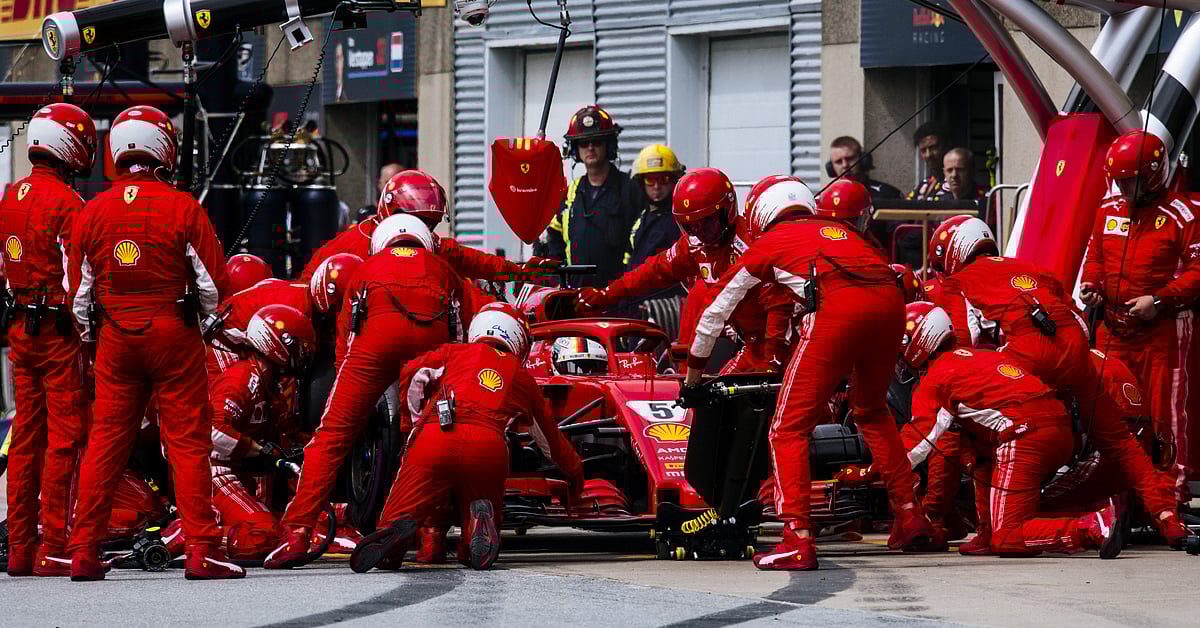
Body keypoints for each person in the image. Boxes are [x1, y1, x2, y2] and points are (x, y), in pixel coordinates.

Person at [679, 175, 934, 571]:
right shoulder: (849, 233)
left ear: (762, 212)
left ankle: (796, 536)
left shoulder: (769, 243)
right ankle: (910, 514)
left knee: (787, 427)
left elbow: (715, 313)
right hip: (890, 308)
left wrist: (694, 378)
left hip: (838, 311)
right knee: (871, 412)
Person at [67, 105, 244, 580]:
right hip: (173, 335)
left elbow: (79, 297)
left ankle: (83, 551)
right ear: (161, 147)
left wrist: (93, 341)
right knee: (186, 444)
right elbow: (213, 285)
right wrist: (205, 323)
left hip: (114, 340)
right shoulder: (184, 206)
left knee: (105, 442)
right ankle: (203, 550)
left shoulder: (92, 211)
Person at [925, 215, 1181, 544]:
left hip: (1028, 363)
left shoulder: (959, 283)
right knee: (1122, 445)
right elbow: (1079, 323)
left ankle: (990, 528)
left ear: (952, 254)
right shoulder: (1034, 268)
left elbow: (967, 345)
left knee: (968, 414)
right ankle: (1169, 518)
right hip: (1080, 358)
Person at [263, 215, 466, 568]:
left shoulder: (365, 268)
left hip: (373, 350)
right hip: (432, 351)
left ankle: (296, 534)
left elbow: (346, 338)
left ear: (381, 243)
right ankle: (432, 536)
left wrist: (349, 390)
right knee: (433, 439)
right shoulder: (445, 270)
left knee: (330, 439)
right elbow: (460, 335)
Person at [349, 303, 585, 572]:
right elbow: (550, 442)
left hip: (437, 437)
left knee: (402, 510)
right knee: (482, 501)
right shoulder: (522, 378)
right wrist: (576, 475)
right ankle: (475, 531)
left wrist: (412, 426)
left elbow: (413, 375)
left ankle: (395, 533)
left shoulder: (453, 352)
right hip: (488, 446)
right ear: (520, 340)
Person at [899, 302, 1123, 558]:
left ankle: (1091, 527)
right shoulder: (985, 354)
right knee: (976, 447)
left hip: (1024, 435)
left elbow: (916, 445)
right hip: (1059, 430)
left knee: (1006, 537)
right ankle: (990, 530)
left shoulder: (937, 377)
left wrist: (875, 471)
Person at [576, 169, 794, 375]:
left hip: (781, 344)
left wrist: (772, 359)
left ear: (726, 210)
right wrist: (606, 295)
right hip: (747, 343)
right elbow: (653, 271)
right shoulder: (694, 243)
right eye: (690, 225)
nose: (699, 231)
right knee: (707, 398)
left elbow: (779, 302)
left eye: (706, 221)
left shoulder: (750, 244)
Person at [1080, 129, 1200, 502]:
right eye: (1119, 181)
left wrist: (1159, 301)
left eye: (1130, 181)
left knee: (1165, 414)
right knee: (1110, 411)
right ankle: (1117, 493)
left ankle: (1169, 496)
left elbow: (1199, 270)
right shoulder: (1106, 211)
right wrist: (1090, 286)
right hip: (1112, 330)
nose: (1123, 189)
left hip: (1163, 330)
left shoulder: (1184, 213)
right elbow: (1095, 258)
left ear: (1152, 175)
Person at [0, 103, 94, 577]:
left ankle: (19, 547)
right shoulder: (68, 205)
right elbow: (78, 285)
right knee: (63, 440)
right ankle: (53, 545)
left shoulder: (9, 196)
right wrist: (90, 333)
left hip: (20, 331)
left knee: (23, 441)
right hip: (59, 335)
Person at [534, 105, 644, 288]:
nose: (590, 148)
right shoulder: (570, 194)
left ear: (609, 145)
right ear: (576, 150)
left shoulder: (631, 190)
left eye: (596, 141)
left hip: (618, 297)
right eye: (584, 143)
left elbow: (643, 244)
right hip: (577, 296)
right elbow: (554, 239)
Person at [206, 253, 362, 375]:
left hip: (231, 335)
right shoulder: (297, 313)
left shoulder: (306, 300)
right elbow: (285, 370)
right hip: (217, 346)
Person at [907, 121, 951, 201]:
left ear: (947, 145)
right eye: (923, 150)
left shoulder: (957, 182)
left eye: (933, 147)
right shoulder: (925, 184)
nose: (928, 155)